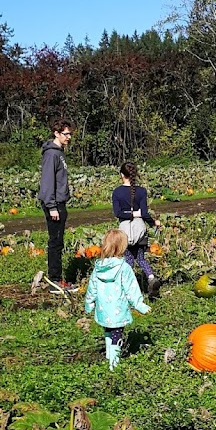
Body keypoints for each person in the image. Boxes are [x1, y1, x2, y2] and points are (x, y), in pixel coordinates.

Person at [84, 230, 151, 369]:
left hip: (103, 309)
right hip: (117, 309)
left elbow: (92, 286)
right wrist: (139, 305)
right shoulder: (123, 267)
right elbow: (131, 288)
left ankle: (109, 355)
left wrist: (89, 303)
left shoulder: (99, 266)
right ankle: (114, 365)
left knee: (108, 330)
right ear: (122, 247)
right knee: (117, 335)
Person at [112, 162, 161, 298]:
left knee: (128, 259)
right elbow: (144, 214)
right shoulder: (141, 191)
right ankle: (151, 278)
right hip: (140, 229)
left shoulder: (117, 192)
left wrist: (129, 214)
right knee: (141, 258)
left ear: (122, 174)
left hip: (125, 230)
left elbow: (118, 213)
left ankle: (129, 290)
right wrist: (153, 223)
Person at [38, 117, 75, 293]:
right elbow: (47, 182)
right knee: (55, 242)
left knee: (58, 241)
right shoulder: (52, 154)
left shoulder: (59, 153)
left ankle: (57, 278)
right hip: (55, 205)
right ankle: (55, 280)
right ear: (56, 133)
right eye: (65, 134)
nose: (68, 137)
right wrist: (52, 206)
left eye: (69, 134)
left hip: (60, 202)